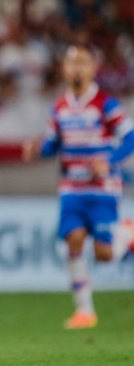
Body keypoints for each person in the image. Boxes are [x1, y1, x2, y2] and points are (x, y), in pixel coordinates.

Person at [22, 44, 134, 330]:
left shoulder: (105, 104)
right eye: (71, 63)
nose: (76, 68)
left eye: (83, 62)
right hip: (71, 188)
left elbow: (130, 138)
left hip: (102, 189)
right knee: (72, 240)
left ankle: (127, 234)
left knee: (104, 255)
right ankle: (84, 311)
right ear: (63, 69)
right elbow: (52, 145)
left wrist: (108, 160)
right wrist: (37, 149)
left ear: (93, 69)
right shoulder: (59, 107)